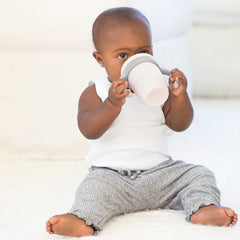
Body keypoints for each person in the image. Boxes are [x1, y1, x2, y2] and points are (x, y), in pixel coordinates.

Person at [46, 7, 238, 237]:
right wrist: (112, 104)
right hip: (112, 176)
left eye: (144, 52)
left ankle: (203, 207)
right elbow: (89, 130)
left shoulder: (158, 87)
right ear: (100, 59)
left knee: (200, 174)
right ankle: (81, 219)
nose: (135, 62)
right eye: (122, 56)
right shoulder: (96, 91)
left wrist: (179, 97)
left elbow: (179, 124)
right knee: (92, 189)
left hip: (160, 174)